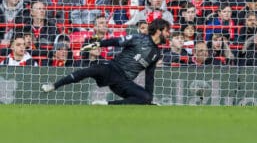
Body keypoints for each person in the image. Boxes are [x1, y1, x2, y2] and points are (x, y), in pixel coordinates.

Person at [41, 18, 170, 105]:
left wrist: (150, 98)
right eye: (167, 31)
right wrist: (97, 44)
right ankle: (54, 86)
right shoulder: (138, 38)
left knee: (146, 98)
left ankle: (107, 104)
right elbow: (115, 41)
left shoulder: (156, 53)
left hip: (124, 82)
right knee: (88, 71)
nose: (169, 34)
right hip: (112, 68)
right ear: (159, 31)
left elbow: (150, 76)